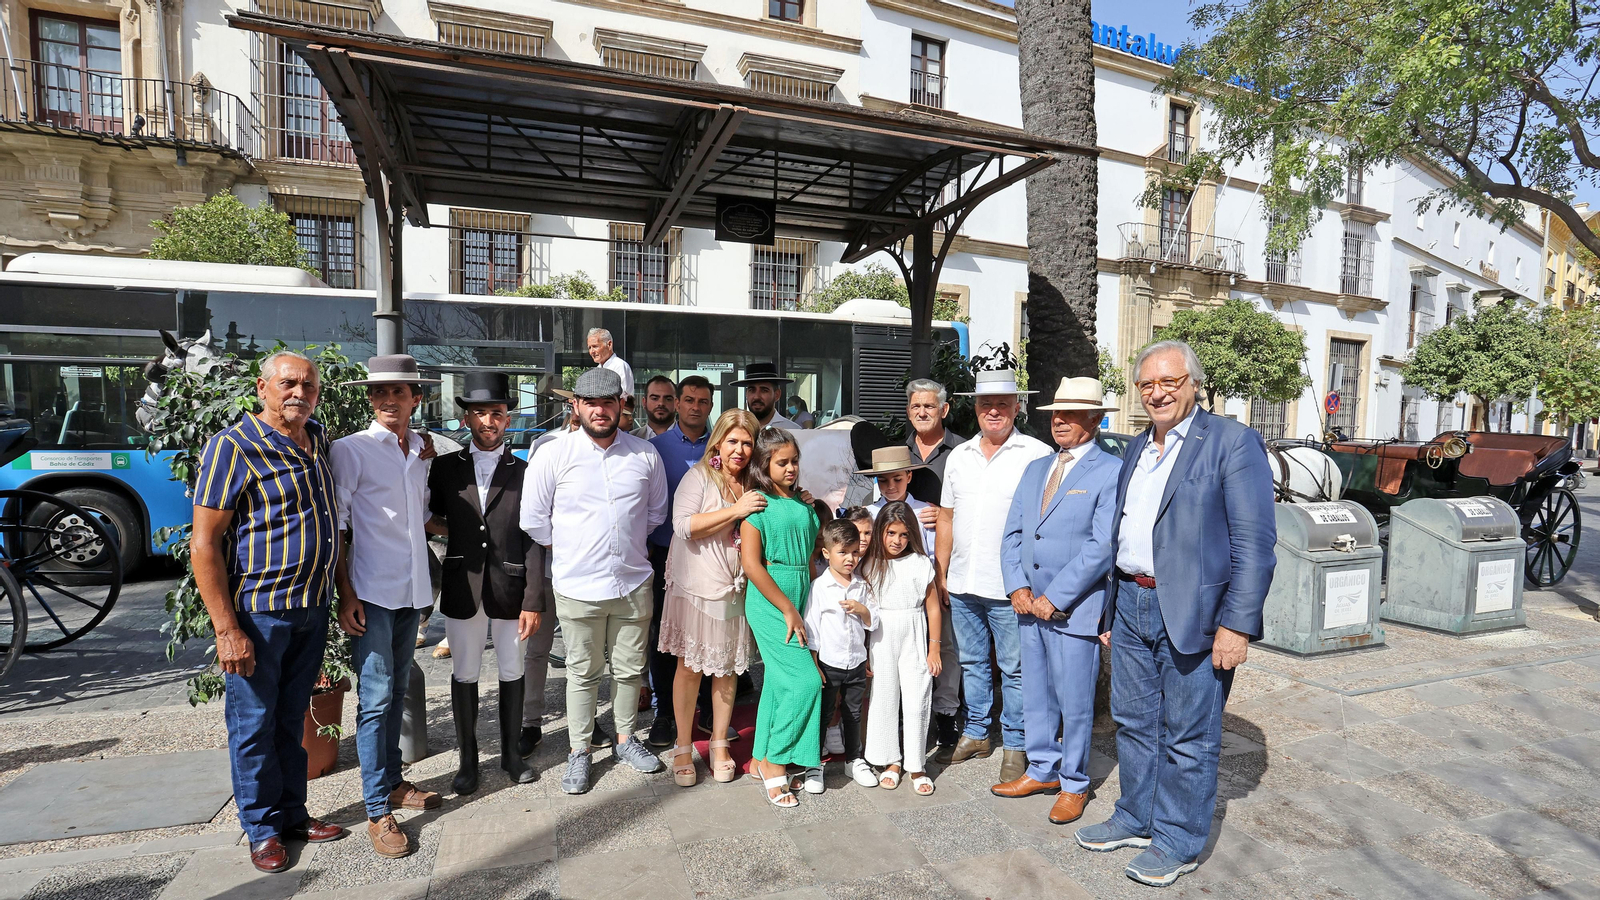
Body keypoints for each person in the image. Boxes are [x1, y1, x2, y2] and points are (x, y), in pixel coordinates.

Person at [1074, 341, 1275, 888]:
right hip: (1134, 604)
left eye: (1170, 382)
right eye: (1146, 385)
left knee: (1189, 735)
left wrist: (1237, 625)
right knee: (1134, 723)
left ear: (1193, 384)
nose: (1157, 393)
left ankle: (1177, 840)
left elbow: (1255, 544)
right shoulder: (1138, 447)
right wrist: (1113, 610)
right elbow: (1125, 532)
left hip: (1195, 613)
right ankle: (1136, 817)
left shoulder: (1232, 443)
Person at [191, 350, 346, 875]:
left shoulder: (316, 438)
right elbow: (204, 543)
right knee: (253, 723)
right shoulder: (232, 448)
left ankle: (293, 815)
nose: (299, 392)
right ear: (262, 388)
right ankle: (261, 829)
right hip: (259, 613)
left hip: (311, 606)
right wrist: (226, 628)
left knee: (291, 717)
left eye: (309, 385)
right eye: (288, 383)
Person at [521, 366, 670, 794]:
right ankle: (579, 752)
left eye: (609, 402)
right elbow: (534, 521)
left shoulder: (644, 455)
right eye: (591, 402)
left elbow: (654, 515)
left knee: (628, 671)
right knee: (582, 673)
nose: (600, 410)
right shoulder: (551, 453)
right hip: (577, 586)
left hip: (632, 582)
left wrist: (619, 544)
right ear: (576, 406)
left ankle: (625, 739)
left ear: (622, 404)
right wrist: (577, 549)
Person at [994, 377, 1120, 828]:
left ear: (1096, 419)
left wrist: (1055, 595)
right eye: (1055, 414)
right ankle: (1042, 769)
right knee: (1036, 694)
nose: (1059, 421)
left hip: (1074, 610)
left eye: (1070, 414)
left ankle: (1074, 783)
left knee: (1075, 700)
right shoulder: (1036, 469)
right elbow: (1012, 533)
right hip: (1030, 608)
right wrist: (1017, 588)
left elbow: (1102, 545)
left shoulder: (1109, 471)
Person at [331, 355, 442, 859]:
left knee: (396, 692)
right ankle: (377, 809)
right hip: (371, 594)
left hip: (412, 590)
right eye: (380, 393)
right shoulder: (350, 450)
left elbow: (420, 517)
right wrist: (346, 595)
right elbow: (338, 526)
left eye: (399, 392)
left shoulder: (421, 447)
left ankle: (394, 783)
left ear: (416, 397)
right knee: (375, 699)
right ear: (371, 399)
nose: (389, 401)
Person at [427, 372, 542, 795]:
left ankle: (511, 755)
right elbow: (430, 516)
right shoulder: (442, 469)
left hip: (511, 588)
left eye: (496, 413)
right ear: (467, 418)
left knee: (512, 671)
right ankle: (468, 762)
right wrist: (456, 539)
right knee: (465, 673)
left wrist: (534, 598)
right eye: (479, 413)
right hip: (462, 585)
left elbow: (533, 537)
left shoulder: (525, 471)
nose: (488, 421)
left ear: (507, 419)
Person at [935, 369, 1051, 785]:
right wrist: (942, 569)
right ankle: (978, 732)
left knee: (1015, 669)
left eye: (1003, 403)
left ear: (1017, 406)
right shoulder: (960, 457)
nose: (994, 411)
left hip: (1010, 586)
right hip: (964, 581)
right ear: (976, 408)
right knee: (971, 662)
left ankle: (1017, 744)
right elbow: (947, 516)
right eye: (986, 404)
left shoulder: (1036, 454)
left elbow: (1043, 523)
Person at [659, 409, 763, 786]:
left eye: (747, 442)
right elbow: (682, 525)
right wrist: (735, 510)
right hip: (698, 588)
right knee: (690, 669)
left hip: (737, 586)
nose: (740, 449)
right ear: (717, 441)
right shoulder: (698, 476)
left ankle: (719, 743)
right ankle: (684, 746)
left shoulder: (753, 482)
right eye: (733, 441)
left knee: (729, 670)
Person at [739, 427, 823, 808]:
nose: (791, 468)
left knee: (777, 681)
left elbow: (812, 553)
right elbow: (752, 566)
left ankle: (760, 758)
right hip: (770, 598)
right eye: (782, 462)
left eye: (794, 461)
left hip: (801, 589)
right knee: (805, 681)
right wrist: (787, 607)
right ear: (764, 464)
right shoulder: (756, 504)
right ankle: (776, 762)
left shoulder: (802, 502)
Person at [646, 375, 717, 748]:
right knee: (663, 637)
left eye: (703, 401)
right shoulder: (653, 448)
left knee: (706, 633)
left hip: (711, 558)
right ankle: (664, 714)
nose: (695, 406)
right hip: (663, 556)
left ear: (710, 406)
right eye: (689, 400)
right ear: (677, 404)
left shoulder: (722, 449)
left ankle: (705, 709)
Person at [861, 501, 943, 796]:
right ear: (880, 531)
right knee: (883, 697)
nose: (897, 541)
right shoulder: (868, 565)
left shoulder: (921, 564)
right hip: (881, 635)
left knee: (917, 697)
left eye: (904, 535)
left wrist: (934, 648)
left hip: (914, 631)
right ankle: (890, 761)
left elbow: (933, 609)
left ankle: (917, 763)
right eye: (891, 533)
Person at [902, 378, 964, 759]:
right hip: (901, 570)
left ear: (944, 409)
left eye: (929, 406)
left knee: (947, 646)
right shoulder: (896, 451)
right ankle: (912, 718)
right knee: (909, 643)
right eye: (914, 407)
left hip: (948, 566)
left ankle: (947, 716)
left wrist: (943, 515)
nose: (921, 412)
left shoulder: (961, 452)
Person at [803, 518, 878, 794]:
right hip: (829, 664)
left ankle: (854, 759)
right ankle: (815, 764)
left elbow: (873, 622)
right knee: (823, 714)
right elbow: (811, 629)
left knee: (854, 712)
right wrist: (815, 664)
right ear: (826, 552)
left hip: (856, 662)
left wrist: (862, 610)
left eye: (855, 552)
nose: (850, 559)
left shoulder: (862, 585)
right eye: (843, 552)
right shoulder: (820, 588)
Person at [862, 447, 935, 557]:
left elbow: (933, 551)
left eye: (897, 479)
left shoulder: (925, 511)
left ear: (909, 477)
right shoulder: (869, 513)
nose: (891, 486)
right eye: (883, 480)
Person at [732, 362, 802, 431]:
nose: (756, 397)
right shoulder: (736, 430)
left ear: (777, 395)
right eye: (752, 390)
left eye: (764, 390)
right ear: (746, 394)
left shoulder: (792, 431)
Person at [586, 327, 634, 398]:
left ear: (609, 345)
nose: (592, 352)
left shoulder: (619, 365)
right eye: (589, 348)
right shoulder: (597, 369)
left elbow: (622, 396)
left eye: (595, 346)